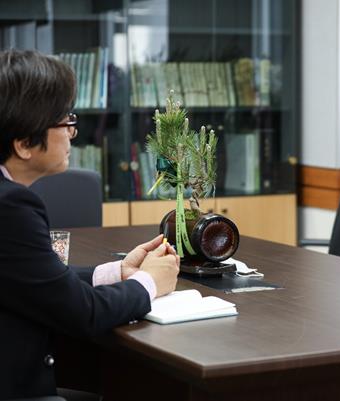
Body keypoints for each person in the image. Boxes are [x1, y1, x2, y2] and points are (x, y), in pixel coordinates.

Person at [0, 49, 180, 399]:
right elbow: (83, 313)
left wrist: (118, 272)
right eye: (64, 121)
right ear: (23, 144)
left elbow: (34, 279)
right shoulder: (11, 207)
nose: (73, 132)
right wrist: (149, 283)